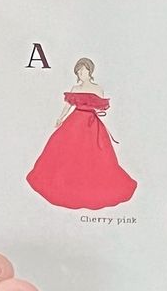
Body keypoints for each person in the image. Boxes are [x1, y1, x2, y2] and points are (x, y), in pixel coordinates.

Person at [26, 57, 137, 210]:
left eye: (83, 70)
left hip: (91, 125)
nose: (81, 73)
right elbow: (68, 105)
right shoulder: (75, 88)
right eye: (78, 71)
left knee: (93, 155)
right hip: (75, 122)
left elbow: (101, 107)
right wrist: (60, 118)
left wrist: (93, 107)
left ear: (90, 71)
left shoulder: (98, 89)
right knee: (63, 148)